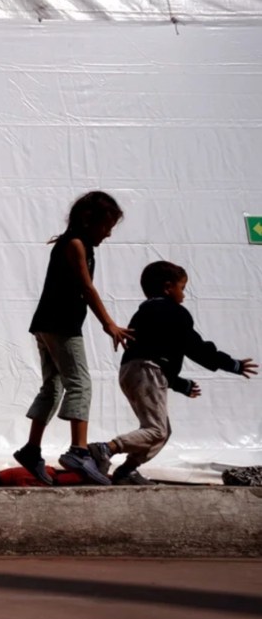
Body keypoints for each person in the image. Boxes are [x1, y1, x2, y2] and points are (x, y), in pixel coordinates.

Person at [88, 261, 257, 484]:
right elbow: (194, 346)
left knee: (162, 431)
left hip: (133, 371)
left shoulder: (145, 313)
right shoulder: (174, 313)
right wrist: (231, 364)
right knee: (156, 430)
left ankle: (127, 470)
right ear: (168, 287)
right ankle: (105, 449)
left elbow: (159, 351)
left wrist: (179, 384)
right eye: (182, 288)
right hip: (148, 370)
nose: (184, 295)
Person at [13, 191, 133, 485]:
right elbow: (87, 288)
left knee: (53, 387)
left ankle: (31, 449)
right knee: (80, 383)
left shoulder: (77, 244)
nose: (108, 234)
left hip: (46, 324)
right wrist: (109, 324)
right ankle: (78, 451)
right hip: (61, 325)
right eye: (107, 226)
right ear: (88, 221)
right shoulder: (76, 244)